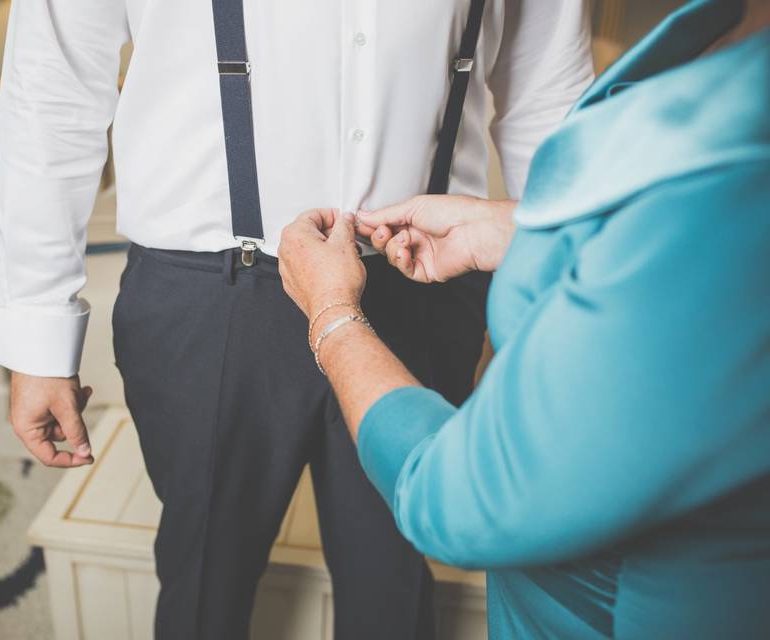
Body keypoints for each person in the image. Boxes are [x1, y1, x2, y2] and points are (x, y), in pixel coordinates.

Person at [0, 0, 593, 637]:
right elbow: (54, 86)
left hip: (424, 275)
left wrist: (575, 312)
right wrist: (37, 329)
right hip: (207, 305)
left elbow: (548, 95)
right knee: (205, 575)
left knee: (393, 577)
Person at [277, 0, 770, 636]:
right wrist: (512, 227)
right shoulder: (726, 29)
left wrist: (332, 313)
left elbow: (455, 500)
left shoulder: (734, 173)